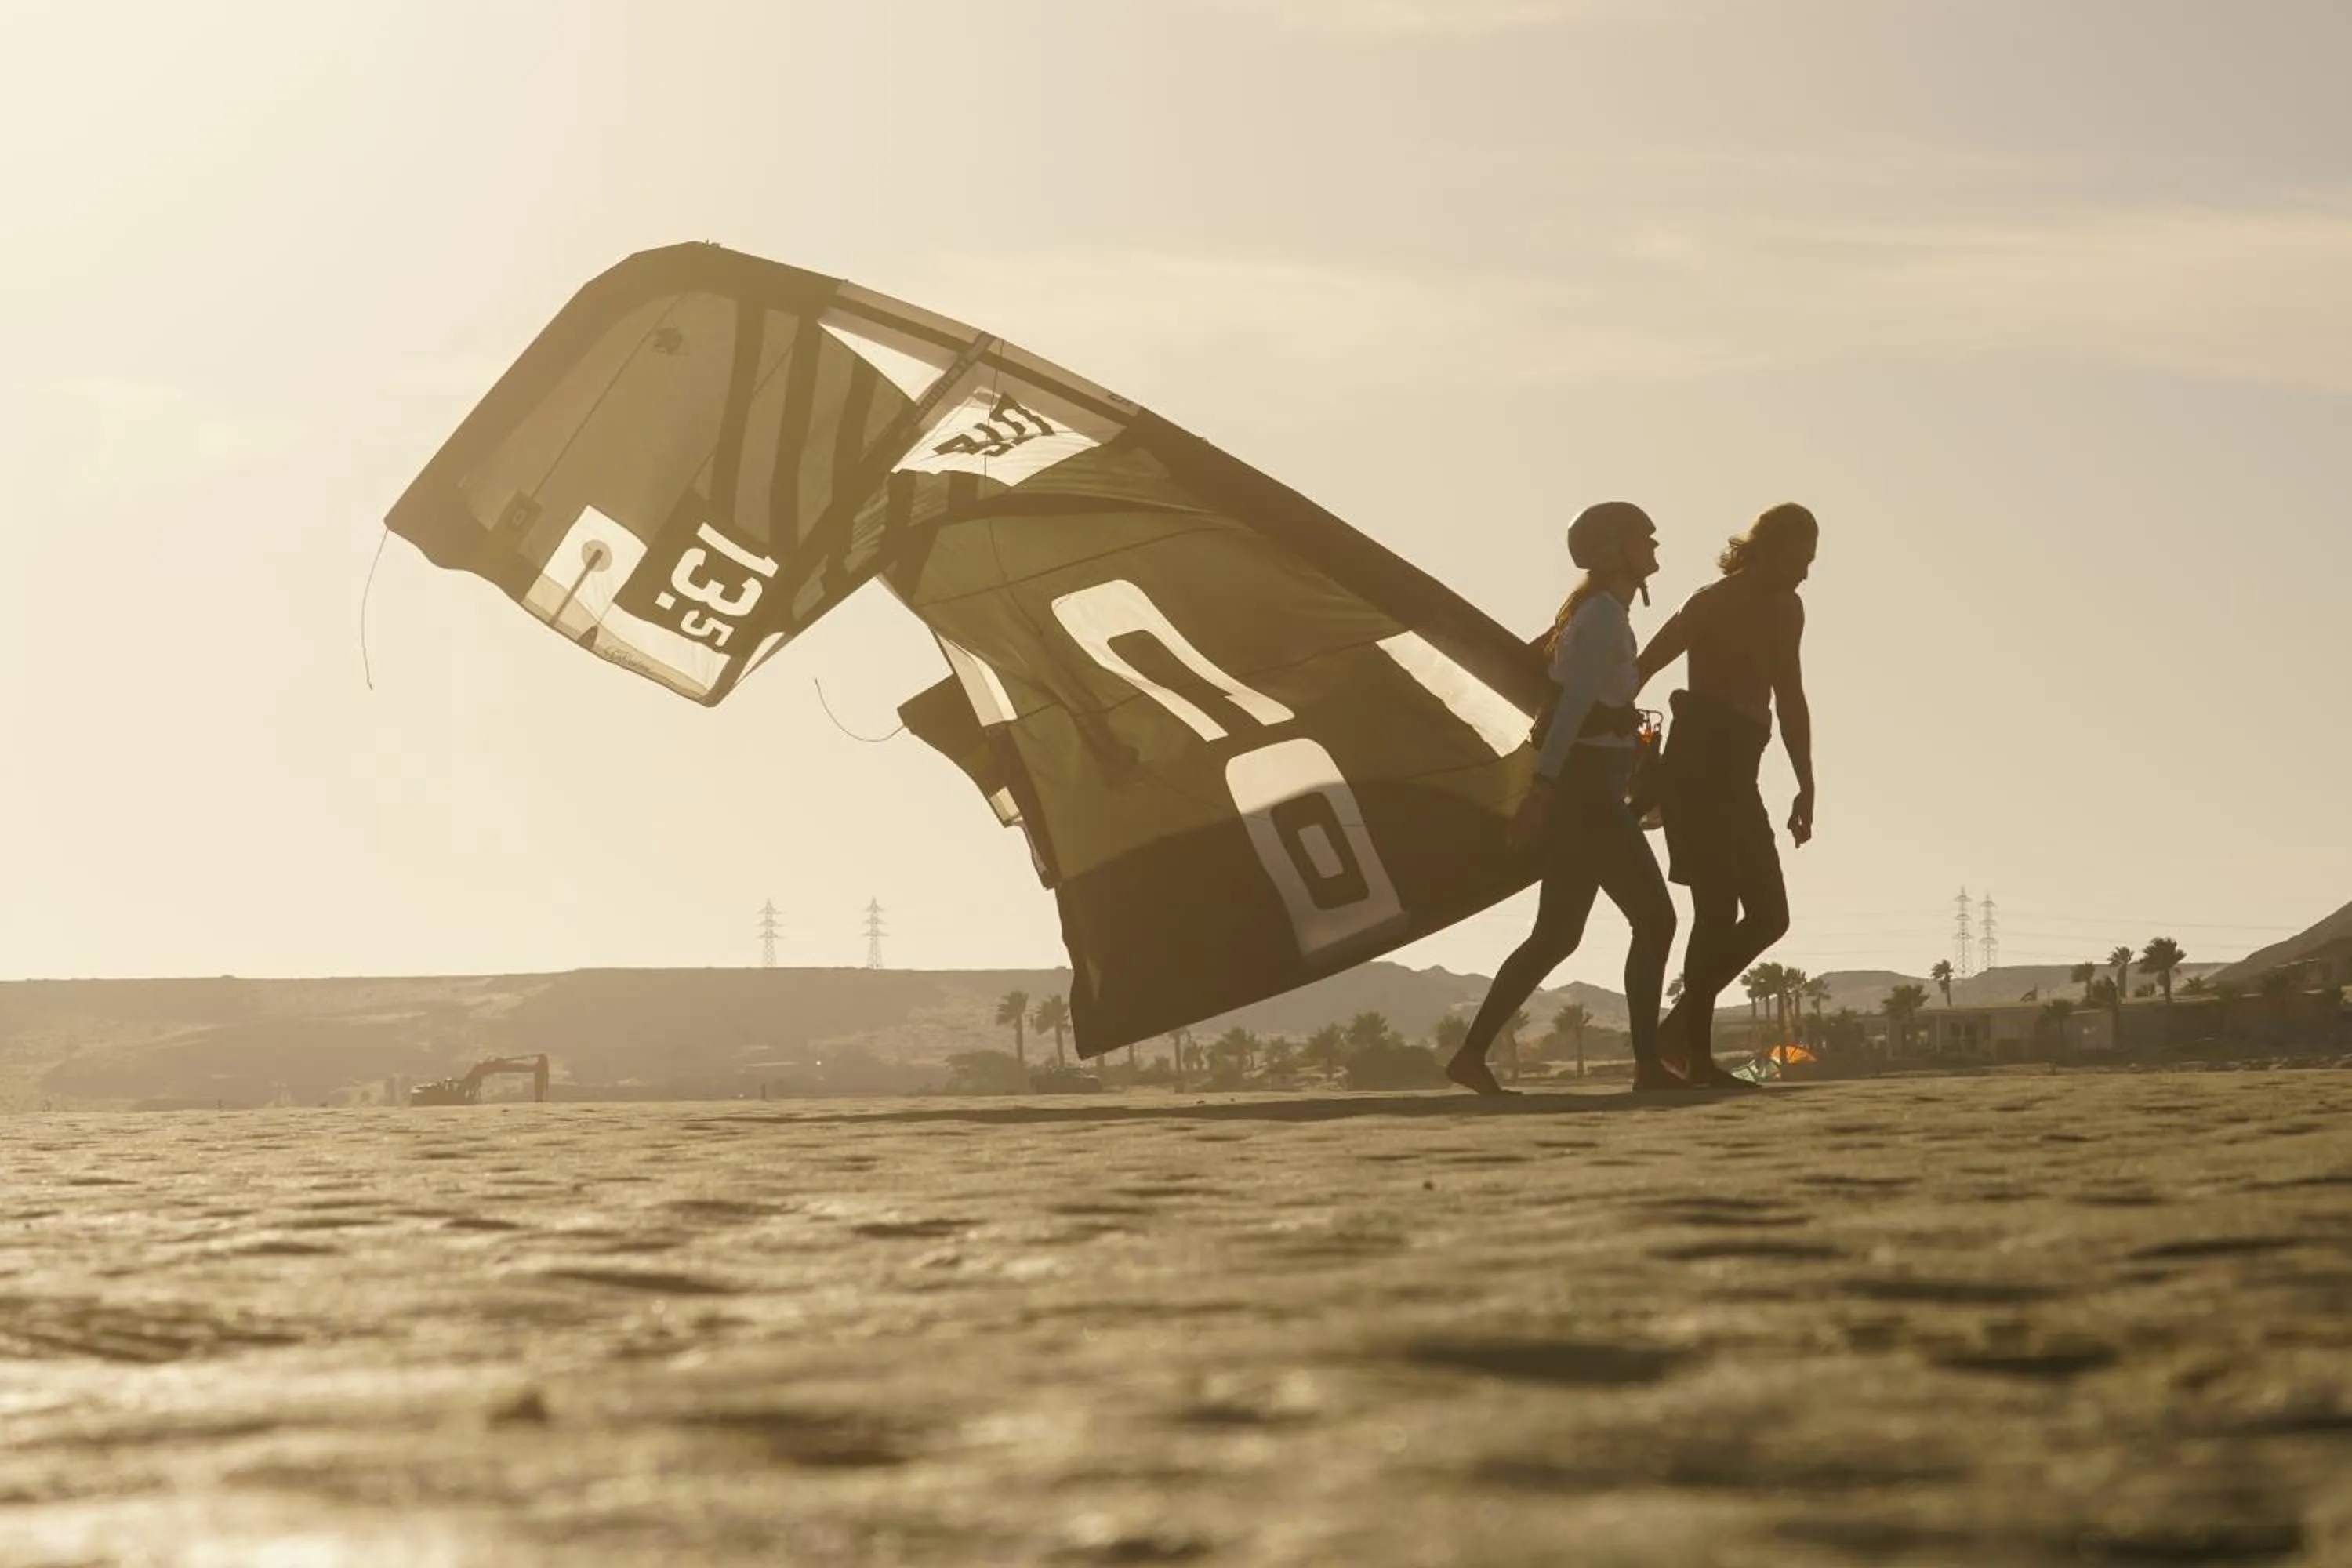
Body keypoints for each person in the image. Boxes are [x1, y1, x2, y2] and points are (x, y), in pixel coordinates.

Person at [1446, 502, 1681, 1096]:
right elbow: (1571, 709)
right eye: (1643, 537)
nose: (1655, 545)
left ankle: (1470, 1055)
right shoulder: (1601, 617)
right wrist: (1543, 790)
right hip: (1584, 791)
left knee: (1556, 936)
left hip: (1591, 784)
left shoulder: (1601, 614)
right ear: (1613, 552)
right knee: (1655, 920)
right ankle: (1649, 1067)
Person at [1635, 503, 1818, 1088]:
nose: (1805, 574)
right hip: (1695, 766)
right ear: (1765, 547)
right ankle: (1695, 1056)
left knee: (1770, 915)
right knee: (1715, 911)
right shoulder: (1709, 603)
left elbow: (1789, 695)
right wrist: (1628, 753)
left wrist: (1806, 782)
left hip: (1741, 770)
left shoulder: (1789, 609)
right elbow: (1641, 669)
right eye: (1799, 559)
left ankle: (1680, 1033)